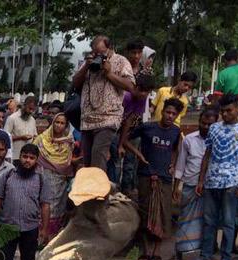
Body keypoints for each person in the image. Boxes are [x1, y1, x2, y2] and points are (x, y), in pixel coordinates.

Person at [186, 94, 238, 260]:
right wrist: (201, 180)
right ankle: (206, 256)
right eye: (222, 111)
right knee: (209, 221)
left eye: (229, 110)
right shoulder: (214, 128)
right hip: (211, 182)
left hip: (231, 182)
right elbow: (207, 155)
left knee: (229, 222)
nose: (225, 114)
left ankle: (226, 258)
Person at [123, 98, 183, 260]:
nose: (170, 116)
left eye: (173, 114)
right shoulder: (148, 127)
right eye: (168, 112)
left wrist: (172, 164)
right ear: (162, 111)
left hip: (164, 179)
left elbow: (176, 149)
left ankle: (156, 252)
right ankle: (145, 251)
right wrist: (139, 155)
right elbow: (126, 140)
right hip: (145, 176)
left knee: (162, 215)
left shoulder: (176, 132)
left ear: (177, 115)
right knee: (144, 213)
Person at [72, 35, 136, 172]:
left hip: (108, 118)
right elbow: (75, 83)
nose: (98, 56)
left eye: (101, 53)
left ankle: (99, 192)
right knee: (88, 162)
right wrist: (86, 66)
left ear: (110, 48)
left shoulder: (121, 61)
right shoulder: (89, 62)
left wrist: (109, 73)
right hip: (87, 120)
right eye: (95, 52)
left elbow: (130, 86)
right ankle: (91, 191)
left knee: (98, 158)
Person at [0, 143, 49, 260]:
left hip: (30, 228)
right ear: (20, 157)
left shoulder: (40, 179)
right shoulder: (8, 175)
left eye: (31, 158)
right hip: (7, 226)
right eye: (25, 156)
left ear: (36, 160)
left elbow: (45, 205)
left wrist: (44, 229)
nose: (27, 160)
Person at [174, 107, 219, 259]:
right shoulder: (189, 140)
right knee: (185, 218)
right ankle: (181, 250)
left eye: (210, 125)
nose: (206, 127)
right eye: (203, 123)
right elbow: (180, 165)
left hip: (211, 186)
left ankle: (207, 251)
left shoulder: (219, 141)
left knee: (208, 220)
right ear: (199, 122)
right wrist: (176, 186)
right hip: (190, 185)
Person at [34, 112, 79, 238]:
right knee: (43, 205)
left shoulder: (69, 142)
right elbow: (32, 156)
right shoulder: (42, 140)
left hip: (60, 182)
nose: (59, 125)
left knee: (58, 208)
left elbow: (68, 162)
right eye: (57, 122)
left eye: (62, 123)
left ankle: (52, 236)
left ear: (66, 126)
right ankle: (40, 235)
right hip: (43, 178)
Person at [118, 74, 156, 197]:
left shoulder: (142, 99)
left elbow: (130, 120)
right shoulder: (126, 96)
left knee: (130, 161)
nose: (144, 94)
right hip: (114, 127)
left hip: (128, 130)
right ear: (136, 87)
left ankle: (126, 189)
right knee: (116, 161)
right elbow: (118, 117)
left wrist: (123, 143)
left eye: (147, 92)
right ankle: (114, 188)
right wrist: (119, 144)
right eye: (141, 90)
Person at [6, 96, 38, 161]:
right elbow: (5, 137)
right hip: (15, 157)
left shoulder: (32, 120)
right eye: (30, 108)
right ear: (24, 105)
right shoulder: (12, 118)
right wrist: (20, 137)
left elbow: (35, 136)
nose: (31, 111)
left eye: (33, 110)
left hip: (28, 158)